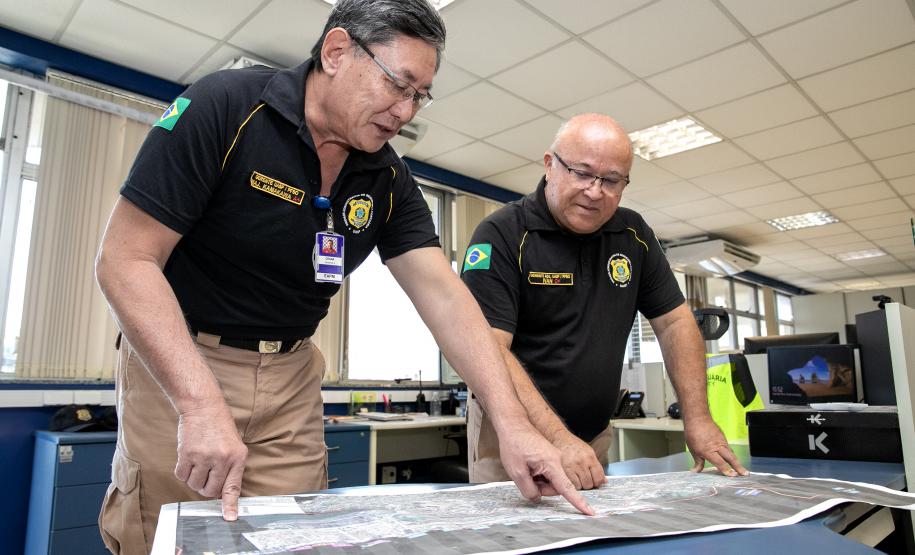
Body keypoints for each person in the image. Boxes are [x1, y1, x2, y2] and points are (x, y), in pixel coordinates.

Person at [94, 1, 590, 552]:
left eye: (419, 96)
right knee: (169, 537)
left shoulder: (387, 175)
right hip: (184, 363)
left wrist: (513, 423)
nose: (405, 112)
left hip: (291, 377)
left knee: (293, 540)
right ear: (336, 52)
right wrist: (200, 405)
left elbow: (447, 299)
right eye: (398, 85)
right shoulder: (226, 106)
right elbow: (126, 260)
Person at [461, 113, 748, 490]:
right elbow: (489, 349)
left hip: (593, 437)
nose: (595, 191)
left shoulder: (634, 236)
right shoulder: (503, 234)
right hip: (511, 435)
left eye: (611, 180)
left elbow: (675, 323)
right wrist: (560, 440)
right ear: (550, 166)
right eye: (581, 173)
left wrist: (698, 418)